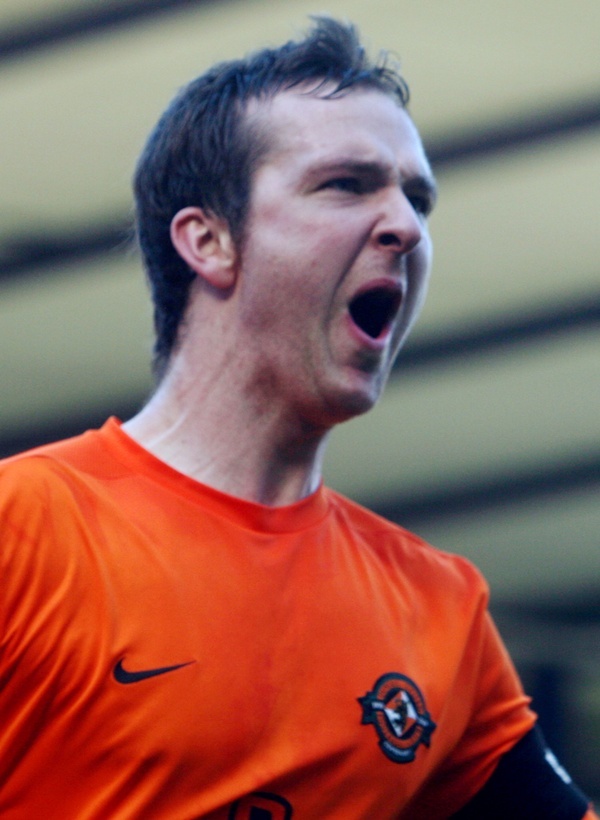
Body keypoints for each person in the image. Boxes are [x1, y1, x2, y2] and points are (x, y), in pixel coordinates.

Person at [0, 17, 596, 820]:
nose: (407, 227)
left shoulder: (440, 610)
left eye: (417, 198)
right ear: (209, 240)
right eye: (347, 184)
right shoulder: (24, 528)